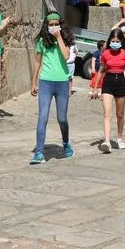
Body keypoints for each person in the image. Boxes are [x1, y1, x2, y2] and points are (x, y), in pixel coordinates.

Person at [29, 12, 74, 164]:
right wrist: (33, 82)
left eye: (56, 24)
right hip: (46, 82)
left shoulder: (65, 39)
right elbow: (37, 62)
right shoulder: (42, 41)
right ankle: (39, 152)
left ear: (60, 25)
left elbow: (66, 56)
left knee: (62, 118)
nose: (54, 27)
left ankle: (66, 142)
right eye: (51, 24)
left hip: (62, 83)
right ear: (46, 26)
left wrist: (59, 37)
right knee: (43, 117)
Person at [97, 27, 125, 153]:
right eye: (113, 41)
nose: (115, 43)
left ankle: (119, 138)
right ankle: (107, 141)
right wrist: (96, 87)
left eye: (117, 41)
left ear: (121, 41)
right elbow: (101, 70)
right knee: (107, 113)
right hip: (108, 82)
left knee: (120, 114)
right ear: (110, 41)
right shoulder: (105, 53)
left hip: (120, 82)